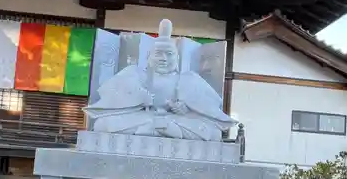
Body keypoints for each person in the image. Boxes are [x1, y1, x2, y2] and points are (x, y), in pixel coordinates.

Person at [83, 19, 237, 141]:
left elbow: (207, 109)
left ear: (177, 58)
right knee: (102, 125)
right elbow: (113, 98)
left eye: (169, 54)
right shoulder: (135, 74)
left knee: (213, 133)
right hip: (143, 118)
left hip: (175, 120)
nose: (163, 59)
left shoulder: (188, 79)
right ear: (149, 57)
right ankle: (160, 129)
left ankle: (157, 129)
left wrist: (186, 110)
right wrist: (138, 99)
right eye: (158, 54)